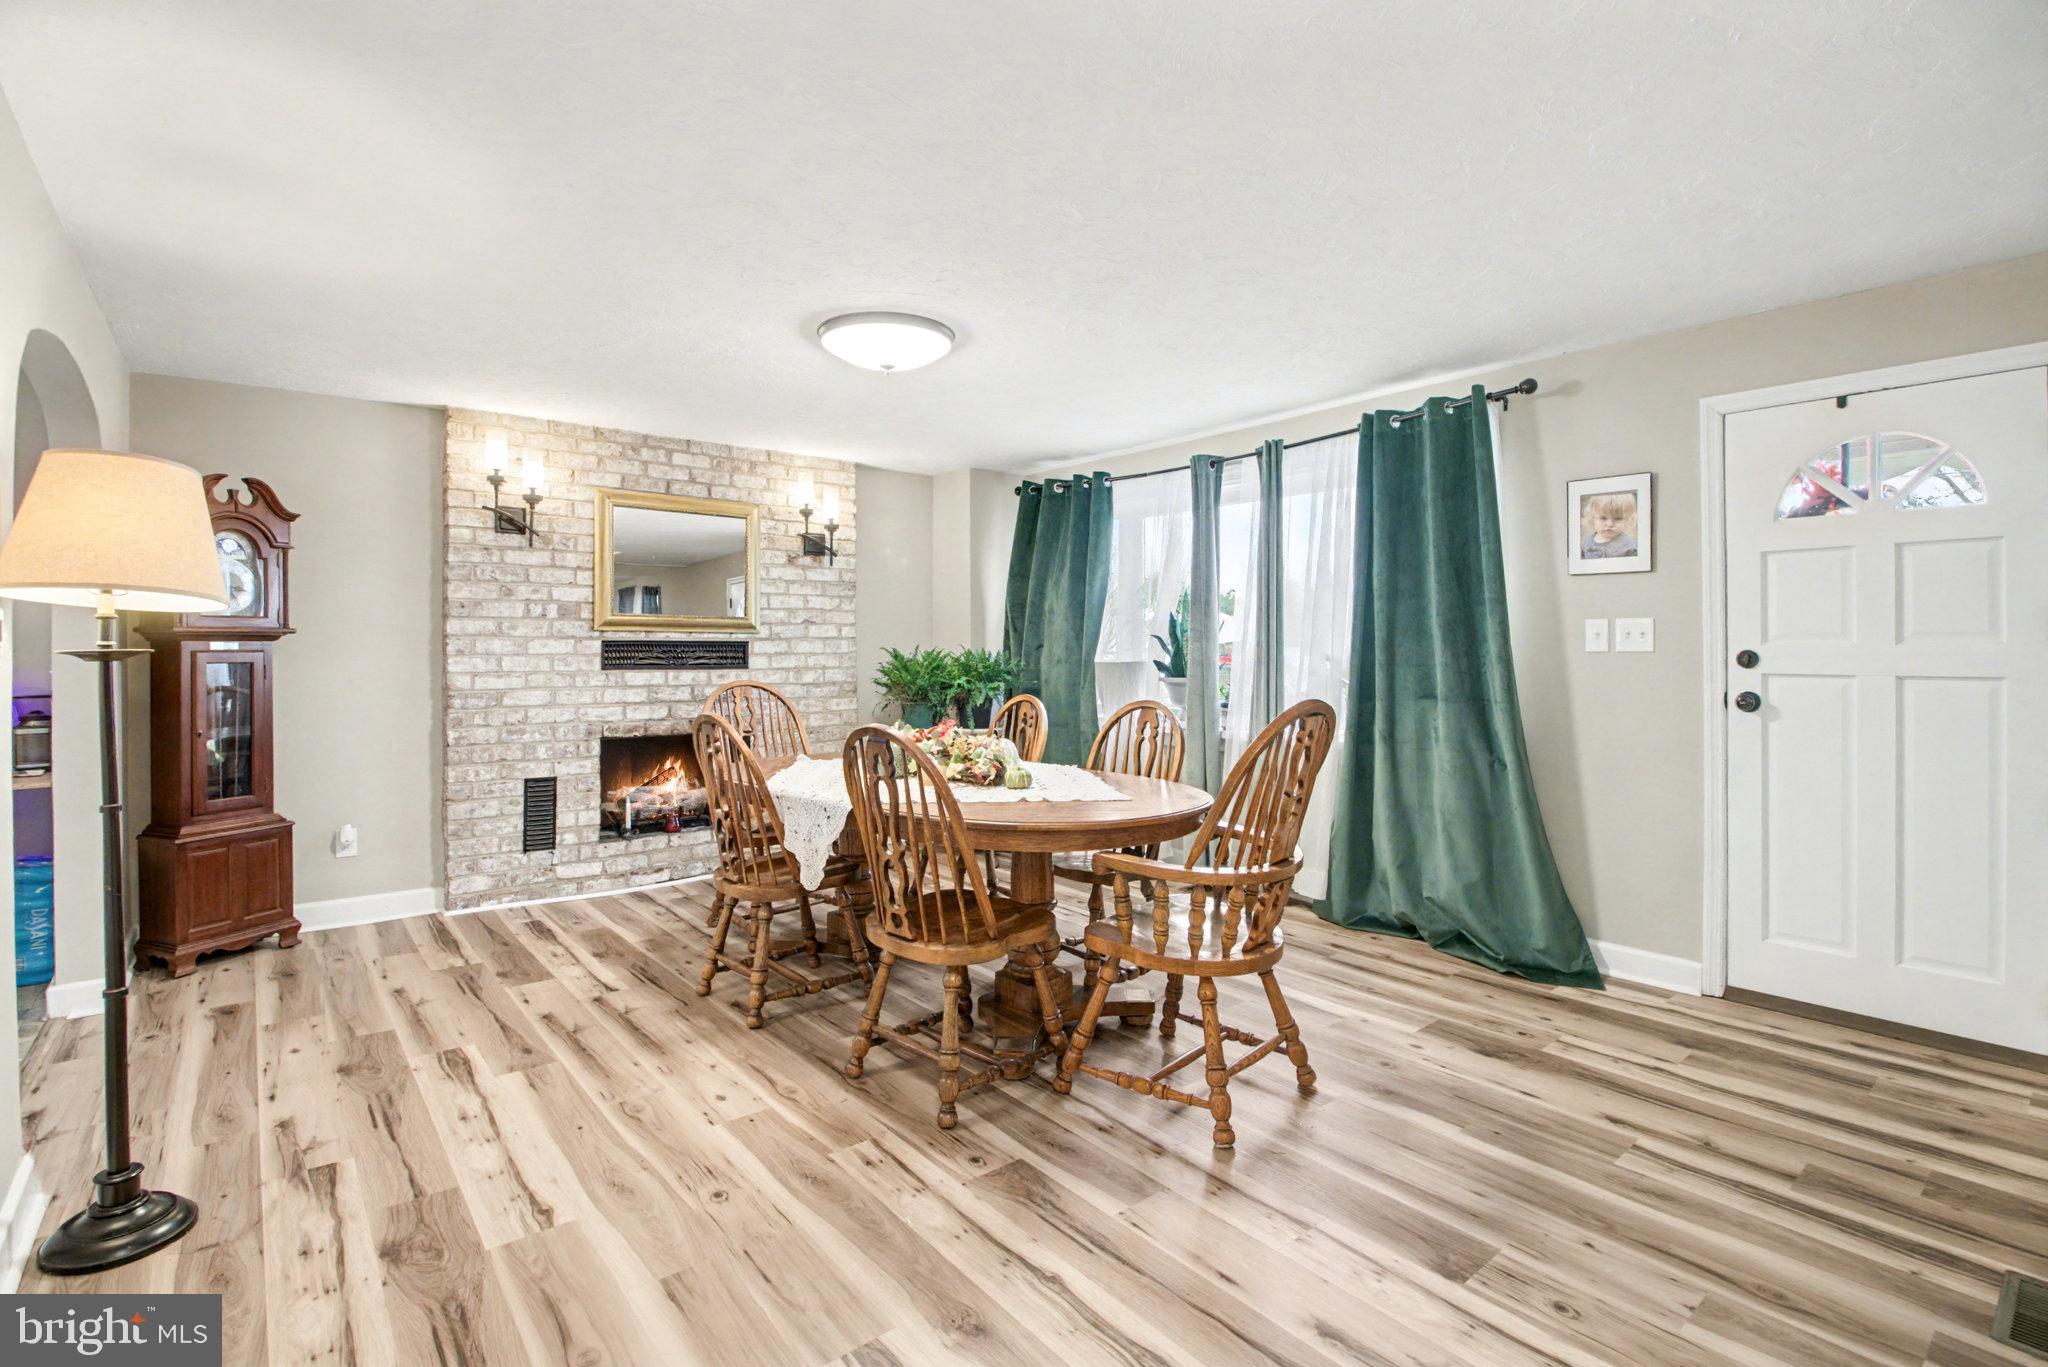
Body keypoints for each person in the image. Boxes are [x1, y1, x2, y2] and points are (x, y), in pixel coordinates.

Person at [1581, 494, 1638, 558]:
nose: (1609, 524)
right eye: (1603, 518)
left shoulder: (1630, 546)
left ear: (1627, 520)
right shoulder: (1587, 542)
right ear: (1592, 517)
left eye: (1617, 519)